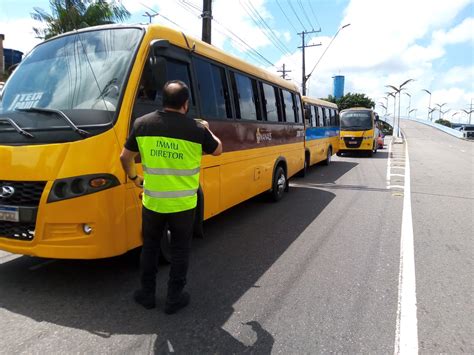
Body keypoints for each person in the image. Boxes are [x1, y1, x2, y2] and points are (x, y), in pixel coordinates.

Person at [120, 80, 222, 314]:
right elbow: (218, 149)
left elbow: (124, 157)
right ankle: (174, 298)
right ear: (186, 104)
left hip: (153, 202)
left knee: (150, 249)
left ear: (163, 101)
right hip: (184, 205)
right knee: (179, 251)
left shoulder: (142, 124)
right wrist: (207, 128)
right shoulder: (196, 130)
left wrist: (136, 179)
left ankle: (147, 295)